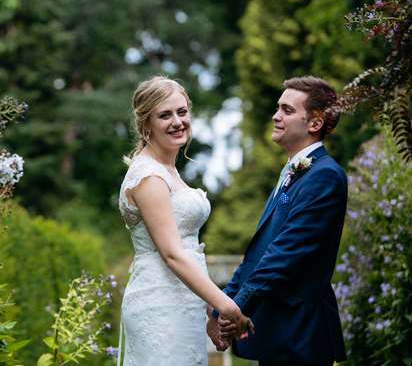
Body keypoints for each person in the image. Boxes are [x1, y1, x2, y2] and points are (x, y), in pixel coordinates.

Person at [207, 76, 348, 366]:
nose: (276, 115)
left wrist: (235, 310)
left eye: (287, 110)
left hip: (298, 334)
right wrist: (220, 308)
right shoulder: (293, 172)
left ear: (314, 123)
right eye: (277, 107)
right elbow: (257, 253)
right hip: (278, 333)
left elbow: (283, 254)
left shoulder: (325, 176)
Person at [117, 76, 254, 366]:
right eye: (164, 115)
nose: (177, 121)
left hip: (184, 301)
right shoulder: (149, 175)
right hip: (160, 305)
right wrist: (226, 306)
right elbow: (172, 255)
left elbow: (188, 250)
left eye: (182, 111)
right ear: (146, 125)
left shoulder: (168, 170)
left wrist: (209, 313)